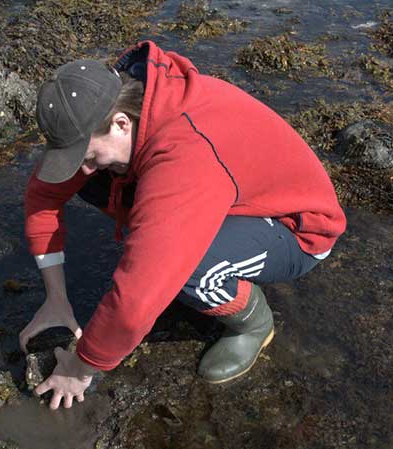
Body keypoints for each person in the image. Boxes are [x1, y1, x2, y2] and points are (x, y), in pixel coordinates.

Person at [20, 41, 346, 410]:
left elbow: (136, 301)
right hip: (229, 192)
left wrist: (80, 368)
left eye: (90, 155)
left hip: (296, 229)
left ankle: (253, 325)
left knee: (187, 270)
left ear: (121, 123)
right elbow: (43, 197)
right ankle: (171, 251)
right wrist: (56, 300)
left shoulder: (184, 157)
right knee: (98, 186)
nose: (84, 167)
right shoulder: (126, 102)